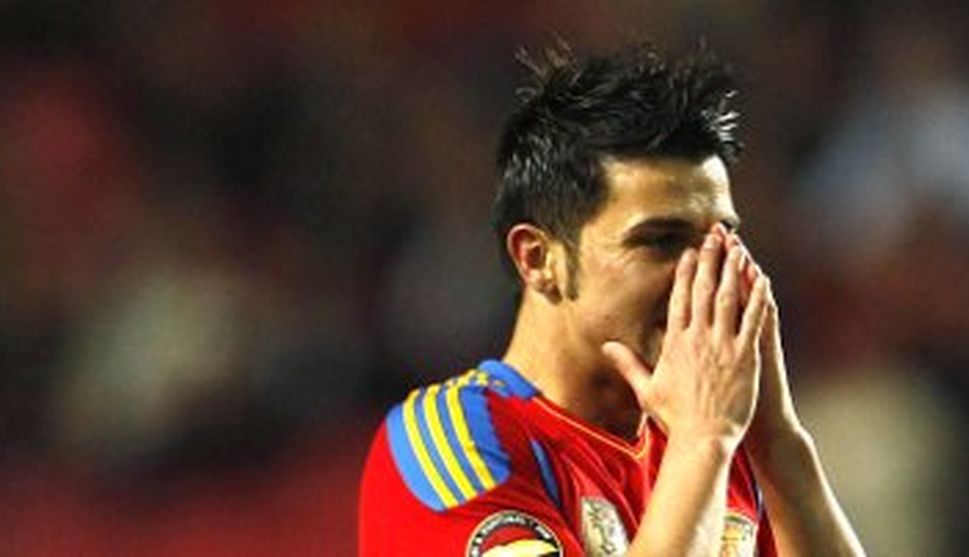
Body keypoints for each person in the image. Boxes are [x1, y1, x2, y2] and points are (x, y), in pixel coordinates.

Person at [357, 43, 866, 556]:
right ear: (538, 258)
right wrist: (704, 438)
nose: (705, 275)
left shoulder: (723, 449)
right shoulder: (455, 441)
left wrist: (776, 441)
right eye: (661, 241)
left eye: (720, 242)